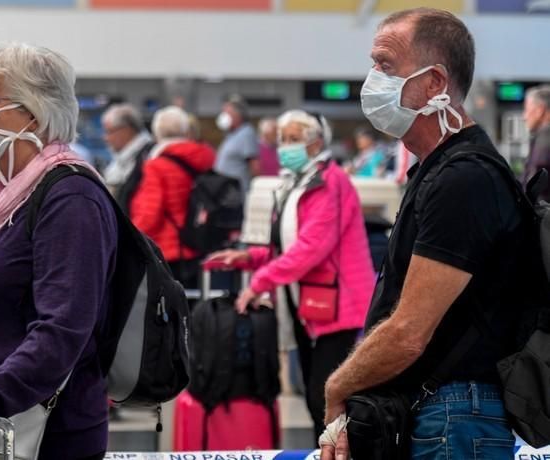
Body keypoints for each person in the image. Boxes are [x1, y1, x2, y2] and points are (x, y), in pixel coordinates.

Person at [322, 8, 546, 460]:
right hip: (437, 412)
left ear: (434, 83)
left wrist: (337, 387)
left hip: (456, 417)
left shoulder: (464, 179)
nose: (372, 80)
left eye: (385, 65)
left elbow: (408, 331)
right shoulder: (435, 171)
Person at [0, 42, 117, 460]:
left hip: (43, 433)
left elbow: (64, 326)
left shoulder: (70, 197)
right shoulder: (4, 197)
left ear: (33, 111)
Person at [207, 109, 374, 440]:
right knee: (316, 399)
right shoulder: (295, 183)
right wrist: (247, 257)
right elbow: (288, 246)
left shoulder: (330, 182)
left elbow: (311, 248)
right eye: (283, 140)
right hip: (309, 304)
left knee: (326, 398)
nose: (286, 147)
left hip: (339, 305)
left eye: (294, 140)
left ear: (315, 144)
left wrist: (259, 283)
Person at [130, 105, 215, 289]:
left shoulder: (156, 166)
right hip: (199, 244)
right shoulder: (205, 159)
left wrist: (130, 240)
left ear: (157, 133)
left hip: (168, 250)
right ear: (186, 130)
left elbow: (149, 212)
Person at [101, 103, 153, 212]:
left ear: (126, 130)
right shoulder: (122, 158)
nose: (105, 138)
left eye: (109, 131)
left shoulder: (149, 156)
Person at [214, 95, 260, 193]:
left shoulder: (247, 133)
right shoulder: (231, 134)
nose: (223, 116)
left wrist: (258, 189)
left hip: (237, 193)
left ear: (238, 115)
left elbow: (254, 164)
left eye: (227, 113)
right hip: (225, 191)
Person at [523, 84, 550, 200]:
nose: (524, 116)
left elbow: (534, 183)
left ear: (539, 110)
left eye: (527, 109)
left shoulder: (545, 138)